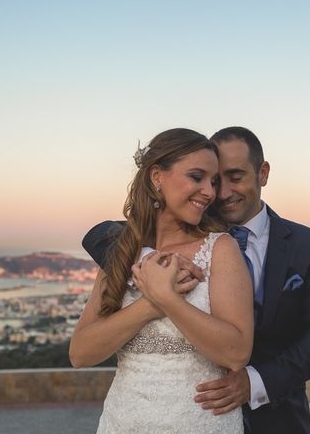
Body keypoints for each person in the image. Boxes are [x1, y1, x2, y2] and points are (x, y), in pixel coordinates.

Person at [83, 127, 310, 434]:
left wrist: (256, 382)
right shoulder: (176, 234)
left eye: (234, 177)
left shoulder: (306, 245)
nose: (219, 192)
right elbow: (102, 235)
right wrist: (152, 258)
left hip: (274, 415)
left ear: (263, 173)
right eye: (211, 179)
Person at [70, 128, 253, 434]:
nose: (209, 192)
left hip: (200, 423)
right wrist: (151, 303)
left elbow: (235, 353)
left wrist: (168, 299)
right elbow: (80, 353)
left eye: (213, 181)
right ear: (157, 176)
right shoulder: (124, 251)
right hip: (123, 422)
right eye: (197, 177)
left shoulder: (221, 249)